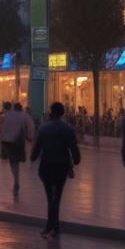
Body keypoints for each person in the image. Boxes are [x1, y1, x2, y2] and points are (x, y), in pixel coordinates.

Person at [30, 101, 81, 238]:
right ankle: (54, 226)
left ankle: (51, 225)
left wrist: (33, 157)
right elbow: (73, 148)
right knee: (57, 196)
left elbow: (36, 148)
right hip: (61, 166)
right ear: (63, 113)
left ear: (51, 113)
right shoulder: (67, 129)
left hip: (46, 166)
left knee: (50, 196)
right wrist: (75, 161)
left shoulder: (44, 128)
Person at [0, 102, 29, 191]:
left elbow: (2, 128)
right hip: (19, 141)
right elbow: (29, 128)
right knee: (16, 162)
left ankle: (16, 179)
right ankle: (16, 179)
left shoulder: (6, 116)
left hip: (9, 141)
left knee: (12, 161)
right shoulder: (24, 116)